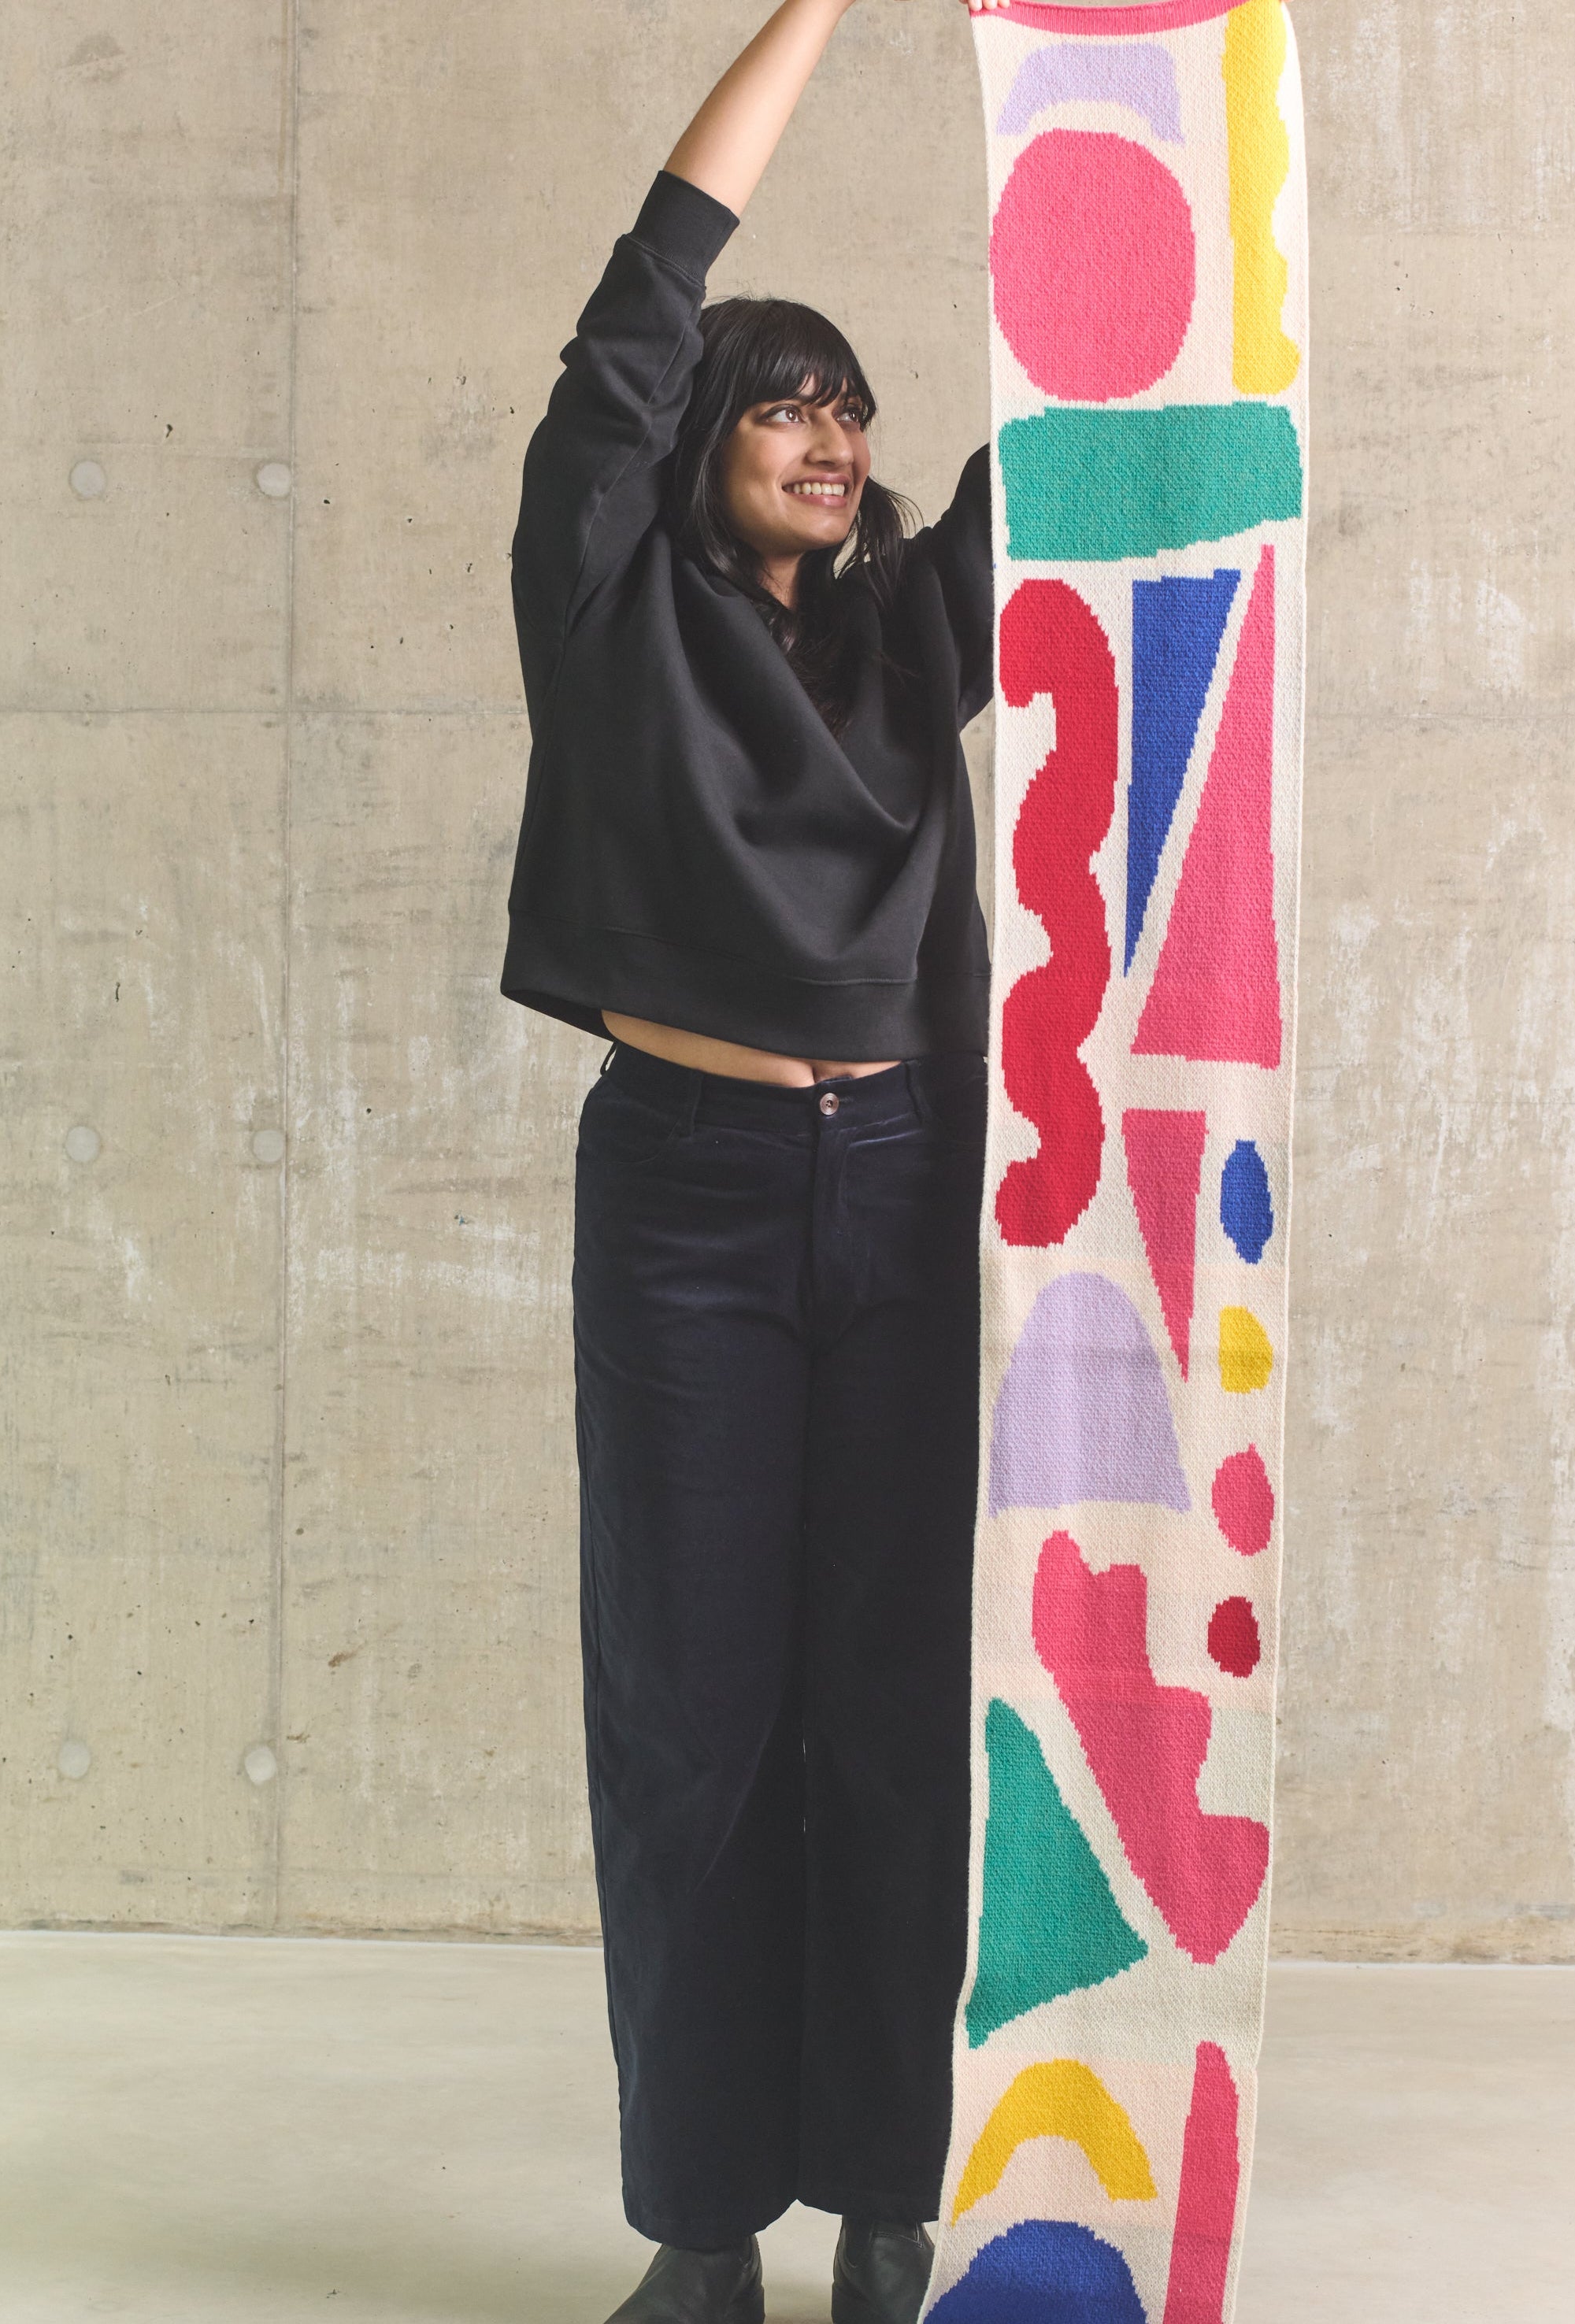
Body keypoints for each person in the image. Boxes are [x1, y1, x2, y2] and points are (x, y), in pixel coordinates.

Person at [501, 2, 1011, 2318]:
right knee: (690, 1722)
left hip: (905, 1192)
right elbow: (651, 281)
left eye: (850, 402)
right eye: (783, 396)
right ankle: (701, 2236)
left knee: (895, 1711)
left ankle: (888, 2204)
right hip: (688, 1199)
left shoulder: (915, 633)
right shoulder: (607, 600)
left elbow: (1132, 411)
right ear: (702, 435)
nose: (829, 430)